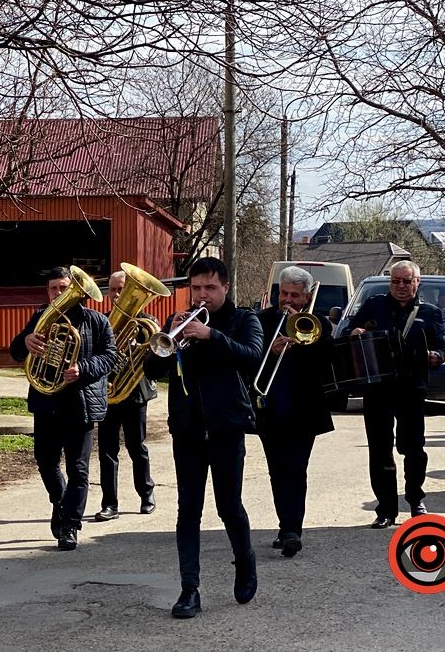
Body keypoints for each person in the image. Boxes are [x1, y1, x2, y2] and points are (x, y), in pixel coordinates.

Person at [142, 257, 262, 619]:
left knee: (229, 507)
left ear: (225, 287)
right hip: (188, 429)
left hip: (226, 428)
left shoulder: (244, 320)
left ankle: (245, 562)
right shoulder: (179, 322)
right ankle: (189, 590)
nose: (202, 295)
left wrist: (212, 335)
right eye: (196, 288)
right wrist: (166, 340)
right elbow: (153, 369)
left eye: (210, 287)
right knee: (188, 510)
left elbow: (252, 356)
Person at [11, 267, 117, 551]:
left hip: (80, 404)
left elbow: (110, 357)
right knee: (45, 462)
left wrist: (83, 368)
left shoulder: (96, 321)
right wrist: (25, 342)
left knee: (78, 469)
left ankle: (70, 525)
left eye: (63, 288)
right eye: (53, 289)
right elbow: (16, 350)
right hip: (46, 402)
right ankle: (61, 503)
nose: (58, 294)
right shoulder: (40, 317)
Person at [348, 260, 445, 529]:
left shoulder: (429, 312)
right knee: (380, 450)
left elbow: (442, 346)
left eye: (406, 281)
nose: (401, 286)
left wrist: (435, 356)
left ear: (417, 282)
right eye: (395, 281)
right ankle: (386, 510)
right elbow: (351, 333)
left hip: (412, 388)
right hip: (378, 388)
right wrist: (355, 332)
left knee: (414, 448)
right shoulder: (374, 306)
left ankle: (416, 499)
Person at [253, 267, 335, 558]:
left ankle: (292, 531)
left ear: (307, 296)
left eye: (294, 295)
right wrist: (270, 351)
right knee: (277, 470)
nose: (287, 300)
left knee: (296, 468)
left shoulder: (319, 324)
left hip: (304, 410)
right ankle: (284, 525)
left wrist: (300, 343)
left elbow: (326, 363)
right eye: (283, 293)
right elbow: (249, 359)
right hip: (270, 409)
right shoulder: (262, 321)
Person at [93, 269, 159, 522]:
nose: (118, 295)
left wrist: (138, 349)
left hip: (134, 393)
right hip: (108, 394)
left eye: (122, 289)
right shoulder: (102, 322)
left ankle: (146, 494)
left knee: (136, 446)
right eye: (113, 290)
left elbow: (155, 358)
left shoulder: (146, 322)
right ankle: (109, 503)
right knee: (106, 451)